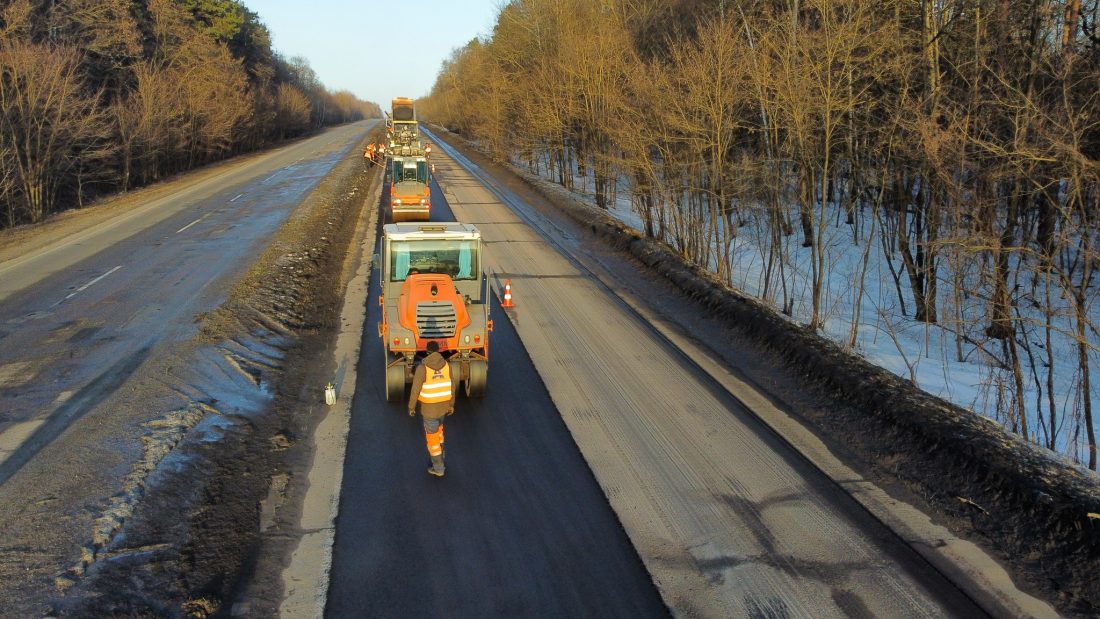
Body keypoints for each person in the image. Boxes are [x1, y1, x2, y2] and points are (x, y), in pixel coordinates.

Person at [408, 340, 456, 477]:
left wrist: (411, 407)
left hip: (429, 411)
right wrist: (451, 405)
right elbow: (452, 386)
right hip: (443, 409)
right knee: (439, 435)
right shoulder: (447, 366)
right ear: (438, 351)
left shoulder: (422, 368)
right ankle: (441, 458)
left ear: (427, 351)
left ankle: (439, 468)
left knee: (433, 440)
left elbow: (415, 390)